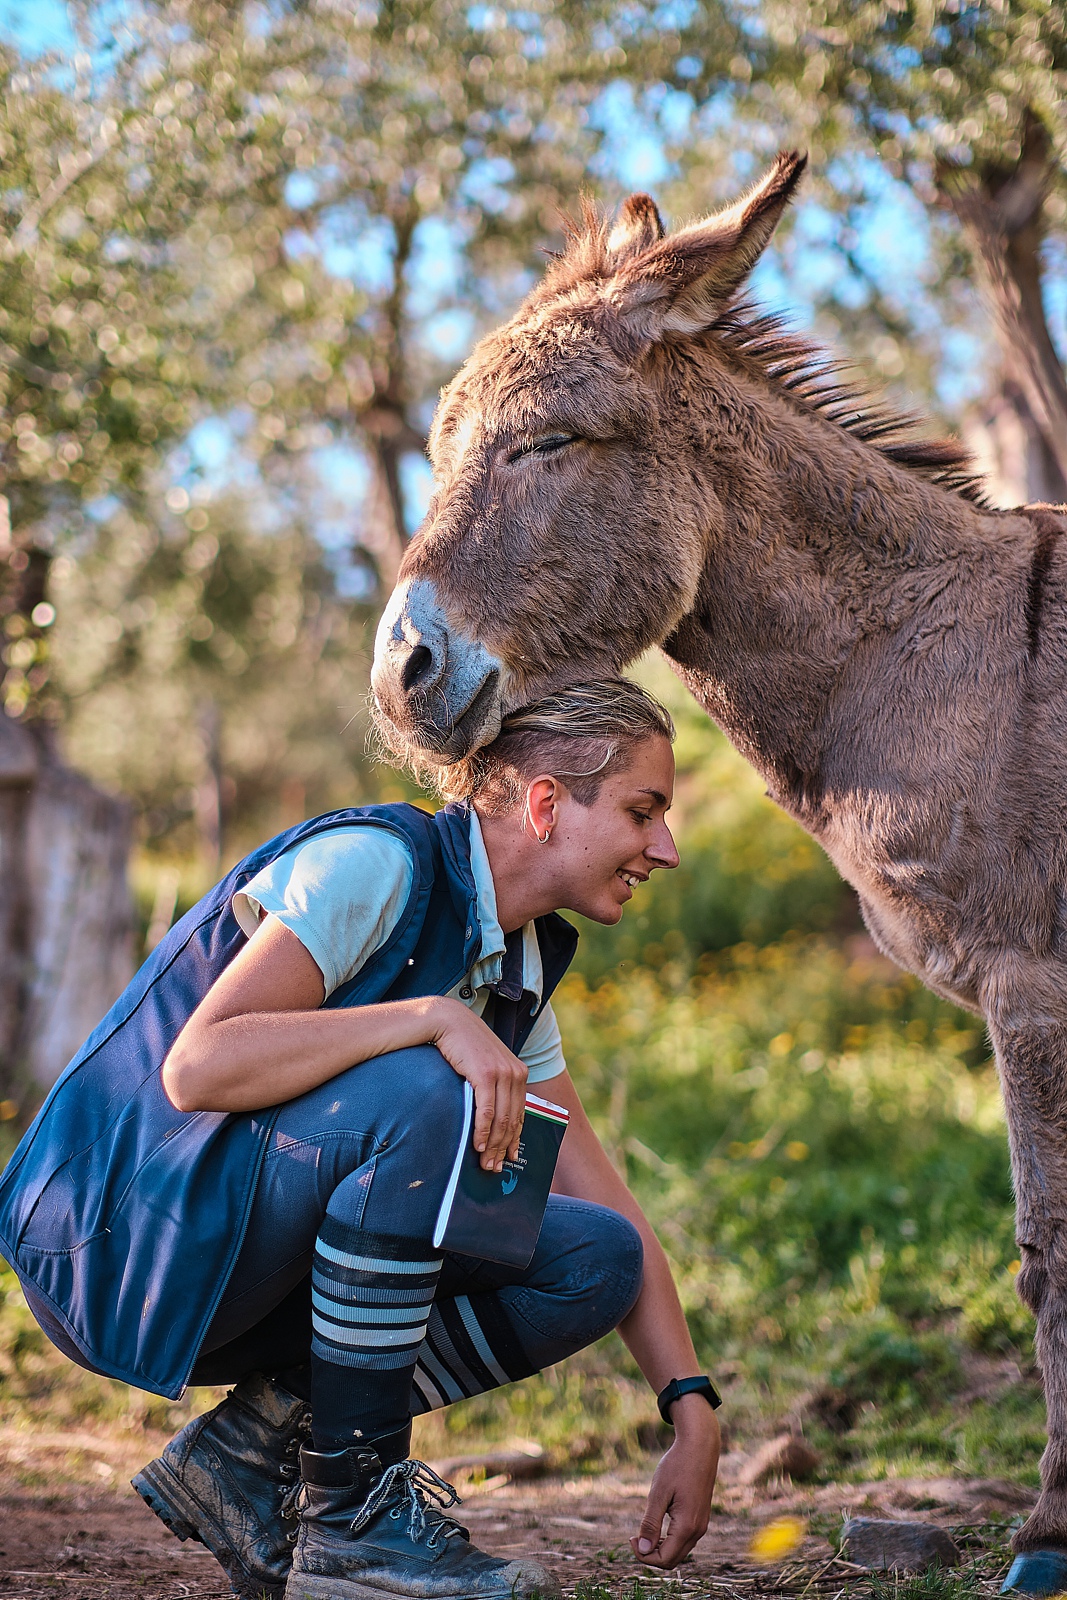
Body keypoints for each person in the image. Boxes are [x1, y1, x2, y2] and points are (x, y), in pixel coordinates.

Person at [0, 678, 721, 1600]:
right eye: (642, 811)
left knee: (596, 1257)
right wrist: (426, 1021)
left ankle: (254, 1446)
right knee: (428, 1092)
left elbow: (601, 1198)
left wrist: (689, 1406)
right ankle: (356, 1529)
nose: (663, 847)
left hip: (240, 1266)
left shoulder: (519, 959)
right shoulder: (376, 864)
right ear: (546, 804)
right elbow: (199, 1068)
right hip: (115, 1248)